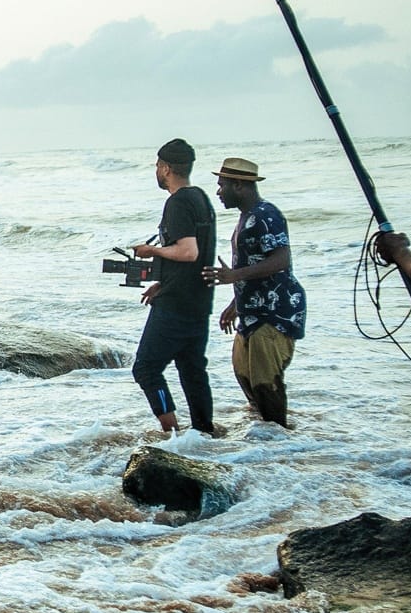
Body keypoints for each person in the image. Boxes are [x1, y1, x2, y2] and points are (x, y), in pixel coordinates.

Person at [202, 158, 306, 429]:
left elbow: (281, 259)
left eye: (222, 185)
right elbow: (256, 265)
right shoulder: (247, 218)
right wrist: (236, 302)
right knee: (245, 376)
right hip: (251, 313)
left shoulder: (265, 214)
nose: (218, 192)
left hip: (273, 314)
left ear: (239, 185)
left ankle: (281, 441)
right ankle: (266, 442)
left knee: (265, 382)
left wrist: (233, 277)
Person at [130, 138, 217, 436]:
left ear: (166, 168)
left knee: (145, 369)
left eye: (157, 166)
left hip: (176, 306)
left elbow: (188, 252)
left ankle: (172, 432)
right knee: (193, 373)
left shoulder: (177, 203)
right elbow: (195, 258)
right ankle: (204, 434)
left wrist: (152, 251)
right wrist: (161, 282)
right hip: (198, 302)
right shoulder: (201, 199)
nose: (156, 171)